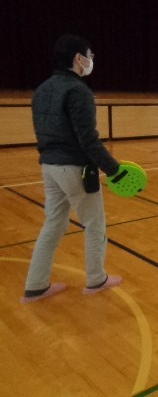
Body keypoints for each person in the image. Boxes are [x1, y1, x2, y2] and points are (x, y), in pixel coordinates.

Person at [21, 34, 122, 303]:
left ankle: (35, 285)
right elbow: (88, 140)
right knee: (95, 222)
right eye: (89, 55)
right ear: (78, 58)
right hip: (74, 167)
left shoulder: (42, 90)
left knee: (53, 223)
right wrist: (114, 170)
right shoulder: (78, 91)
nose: (91, 60)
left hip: (49, 167)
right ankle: (96, 279)